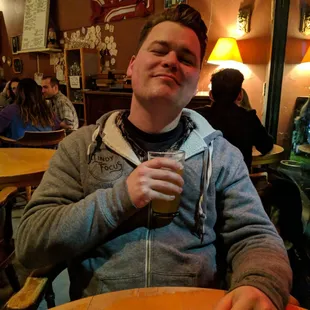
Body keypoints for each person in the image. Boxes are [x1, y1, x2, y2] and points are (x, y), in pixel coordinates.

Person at [16, 5, 291, 310]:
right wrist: (120, 199)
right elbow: (30, 243)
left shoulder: (221, 154)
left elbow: (256, 236)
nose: (171, 61)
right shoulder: (80, 147)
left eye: (186, 59)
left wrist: (261, 283)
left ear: (197, 79)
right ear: (132, 66)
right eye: (159, 50)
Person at [206, 69, 274, 171]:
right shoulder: (249, 118)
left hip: (204, 183)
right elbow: (266, 146)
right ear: (240, 95)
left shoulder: (198, 116)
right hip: (238, 182)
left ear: (211, 95)